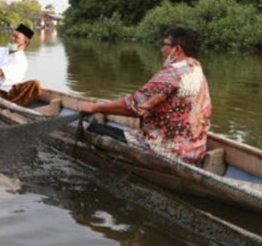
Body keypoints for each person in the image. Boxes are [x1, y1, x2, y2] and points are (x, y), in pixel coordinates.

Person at [79, 27, 212, 165]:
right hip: (195, 152)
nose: (161, 49)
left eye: (165, 44)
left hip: (166, 152)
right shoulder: (197, 70)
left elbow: (133, 106)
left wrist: (94, 107)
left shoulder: (172, 74)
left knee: (92, 129)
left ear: (177, 49)